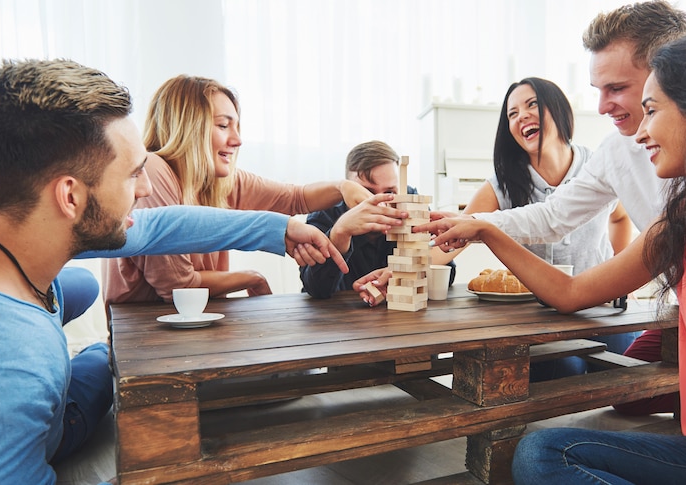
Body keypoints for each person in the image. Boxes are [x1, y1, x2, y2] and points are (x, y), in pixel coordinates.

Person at [424, 28, 686, 484]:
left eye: (651, 110)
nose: (639, 133)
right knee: (543, 450)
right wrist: (485, 230)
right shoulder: (684, 217)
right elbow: (572, 292)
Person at [0, 59, 349, 484]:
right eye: (133, 175)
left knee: (82, 293)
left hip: (29, 314)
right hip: (53, 420)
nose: (146, 189)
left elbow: (158, 226)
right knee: (105, 374)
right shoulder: (4, 372)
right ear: (70, 196)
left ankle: (89, 351)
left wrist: (279, 229)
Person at [420, 0, 686, 414]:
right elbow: (552, 217)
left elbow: (588, 267)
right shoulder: (613, 153)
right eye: (598, 90)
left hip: (621, 308)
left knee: (619, 391)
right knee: (620, 398)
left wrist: (621, 274)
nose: (601, 106)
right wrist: (464, 231)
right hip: (654, 311)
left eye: (616, 88)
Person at [104, 75, 374, 305]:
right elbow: (178, 287)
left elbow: (295, 198)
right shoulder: (153, 170)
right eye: (223, 125)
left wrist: (344, 187)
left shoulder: (222, 182)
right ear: (188, 127)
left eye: (236, 126)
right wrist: (251, 277)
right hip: (146, 340)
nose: (237, 140)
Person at [463, 77, 635, 378]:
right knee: (566, 370)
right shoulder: (502, 184)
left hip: (602, 308)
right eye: (512, 113)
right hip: (540, 316)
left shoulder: (596, 167)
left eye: (531, 104)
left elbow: (620, 217)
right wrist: (402, 271)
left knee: (627, 372)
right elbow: (459, 231)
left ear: (558, 110)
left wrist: (621, 276)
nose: (522, 116)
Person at [302, 140, 455, 300]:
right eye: (366, 191)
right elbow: (316, 289)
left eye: (389, 192)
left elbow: (446, 274)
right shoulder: (325, 212)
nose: (380, 203)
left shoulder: (410, 202)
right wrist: (340, 232)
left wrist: (404, 273)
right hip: (335, 318)